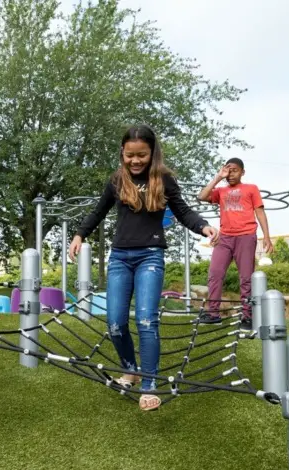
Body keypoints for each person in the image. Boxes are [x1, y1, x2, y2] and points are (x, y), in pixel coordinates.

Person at [69, 125, 217, 411]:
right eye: (130, 155)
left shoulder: (163, 180)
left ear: (152, 153)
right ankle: (130, 370)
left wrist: (203, 227)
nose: (135, 161)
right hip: (120, 258)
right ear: (122, 154)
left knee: (147, 319)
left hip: (150, 255)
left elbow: (184, 211)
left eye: (142, 155)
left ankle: (149, 382)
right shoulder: (116, 181)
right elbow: (98, 211)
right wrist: (79, 235)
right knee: (115, 322)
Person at [198, 158, 273, 326]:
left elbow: (260, 213)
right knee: (215, 274)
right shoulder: (221, 191)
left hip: (246, 236)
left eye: (235, 170)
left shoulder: (251, 189)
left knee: (246, 278)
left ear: (242, 172)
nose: (231, 174)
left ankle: (248, 316)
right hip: (224, 237)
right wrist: (218, 178)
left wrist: (266, 236)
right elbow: (202, 196)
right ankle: (213, 314)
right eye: (228, 170)